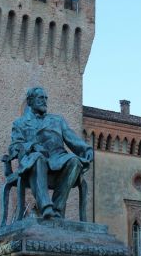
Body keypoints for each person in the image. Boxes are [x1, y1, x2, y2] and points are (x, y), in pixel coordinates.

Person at [8, 87, 93, 219]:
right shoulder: (20, 123)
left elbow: (72, 138)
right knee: (38, 158)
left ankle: (57, 210)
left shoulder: (57, 120)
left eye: (45, 98)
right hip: (33, 161)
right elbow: (14, 146)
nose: (44, 101)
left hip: (58, 159)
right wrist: (32, 146)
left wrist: (87, 150)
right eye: (40, 98)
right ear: (30, 101)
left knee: (74, 161)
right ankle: (46, 207)